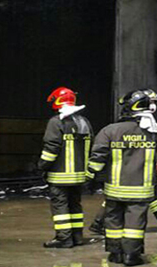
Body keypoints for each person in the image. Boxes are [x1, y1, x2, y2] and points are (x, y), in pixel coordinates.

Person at [88, 89, 157, 266]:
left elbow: (97, 160)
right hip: (140, 190)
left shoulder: (109, 131)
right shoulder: (153, 132)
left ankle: (115, 254)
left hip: (114, 190)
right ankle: (132, 256)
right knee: (135, 224)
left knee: (113, 221)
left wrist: (89, 179)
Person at [37, 86, 95, 248]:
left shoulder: (56, 122)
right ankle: (77, 237)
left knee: (60, 206)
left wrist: (42, 166)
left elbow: (51, 148)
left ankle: (64, 238)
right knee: (75, 205)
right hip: (79, 175)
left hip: (60, 175)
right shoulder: (84, 122)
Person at [88, 164, 157, 237]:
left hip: (134, 166)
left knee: (153, 191)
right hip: (129, 167)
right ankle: (99, 223)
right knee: (116, 197)